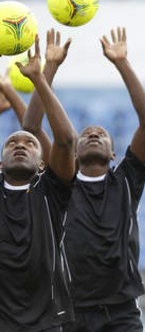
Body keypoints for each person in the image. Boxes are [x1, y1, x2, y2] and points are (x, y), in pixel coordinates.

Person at [23, 27, 145, 332]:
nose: (94, 134)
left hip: (121, 312)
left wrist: (122, 62)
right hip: (70, 311)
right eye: (86, 134)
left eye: (102, 134)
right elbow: (32, 126)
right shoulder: (61, 183)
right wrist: (48, 69)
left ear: (114, 154)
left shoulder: (126, 181)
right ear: (73, 151)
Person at [0, 36, 77, 331]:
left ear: (43, 164)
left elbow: (67, 140)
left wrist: (44, 74)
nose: (20, 144)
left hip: (45, 321)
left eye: (30, 144)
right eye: (12, 142)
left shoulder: (51, 192)